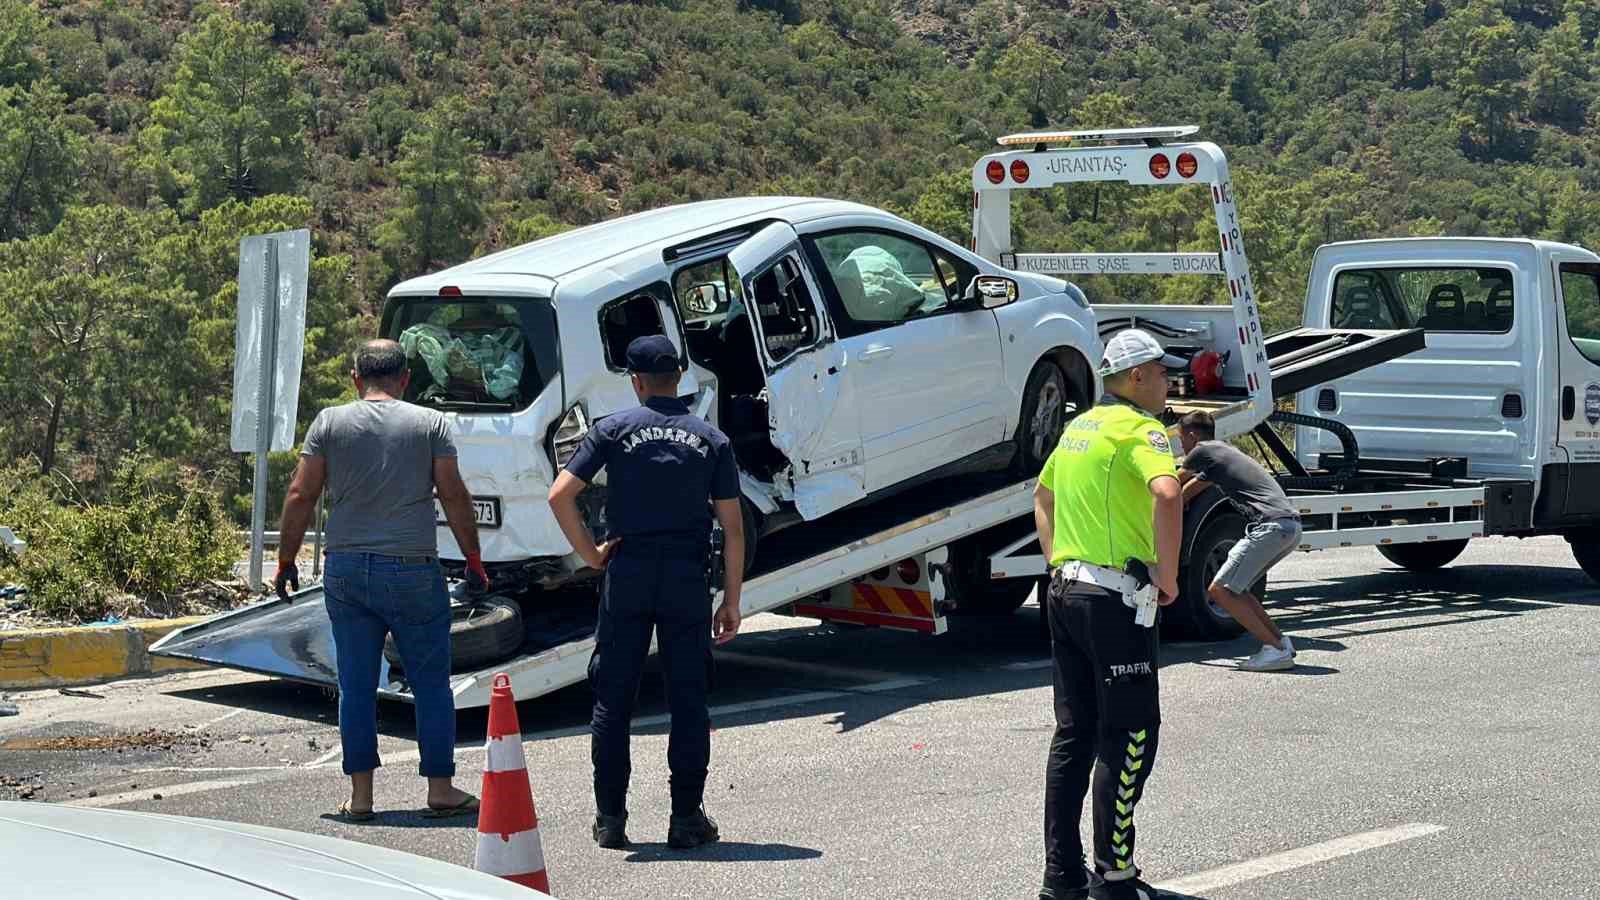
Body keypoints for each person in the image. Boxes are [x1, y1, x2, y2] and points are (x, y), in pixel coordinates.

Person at [275, 339, 489, 821]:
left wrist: (285, 560)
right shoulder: (430, 423)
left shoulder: (329, 422)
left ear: (355, 378)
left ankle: (362, 797)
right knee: (431, 683)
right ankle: (440, 789)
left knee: (355, 684)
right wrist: (474, 558)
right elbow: (453, 495)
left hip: (347, 570)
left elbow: (300, 493)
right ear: (406, 379)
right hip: (412, 569)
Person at [547, 334, 746, 851]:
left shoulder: (612, 430)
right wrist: (732, 600)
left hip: (628, 572)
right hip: (685, 577)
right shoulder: (712, 439)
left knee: (613, 700)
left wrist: (591, 555)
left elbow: (560, 495)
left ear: (635, 382)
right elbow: (733, 528)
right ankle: (685, 819)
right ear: (678, 377)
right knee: (689, 699)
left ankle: (611, 819)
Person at [1033, 328, 1185, 900]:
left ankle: (1062, 877)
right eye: (1163, 372)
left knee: (1074, 733)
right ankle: (1115, 878)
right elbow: (1167, 493)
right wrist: (1168, 575)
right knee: (1131, 734)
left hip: (1065, 591)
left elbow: (1042, 496)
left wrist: (1057, 561)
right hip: (1116, 601)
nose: (1169, 382)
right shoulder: (1141, 429)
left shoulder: (1080, 428)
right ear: (1137, 376)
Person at [1176, 411, 1302, 672]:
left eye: (1181, 439)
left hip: (1271, 526)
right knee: (1238, 589)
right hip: (1289, 525)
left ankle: (1275, 650)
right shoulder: (1222, 455)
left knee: (1220, 590)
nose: (1182, 446)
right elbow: (1185, 494)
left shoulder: (1203, 450)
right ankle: (1281, 643)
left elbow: (1173, 483)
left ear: (1192, 435)